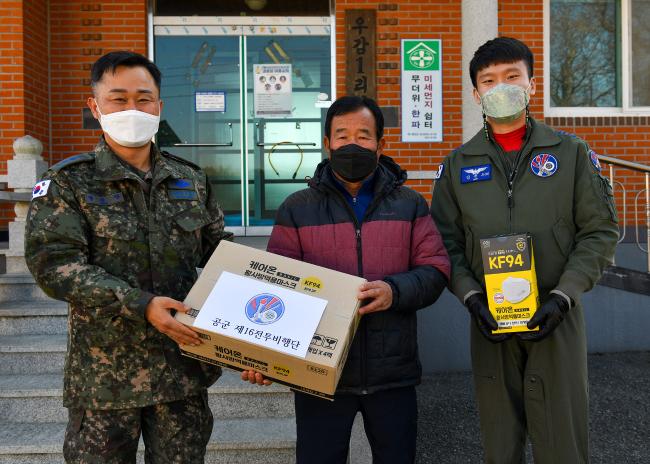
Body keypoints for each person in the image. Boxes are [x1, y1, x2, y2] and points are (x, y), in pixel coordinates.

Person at [25, 51, 230, 463]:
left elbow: (220, 253)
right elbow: (56, 267)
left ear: (159, 106)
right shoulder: (67, 183)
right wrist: (140, 303)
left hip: (181, 375)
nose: (132, 109)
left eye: (143, 98)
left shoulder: (189, 179)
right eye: (118, 99)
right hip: (105, 379)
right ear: (95, 106)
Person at [430, 37, 619, 463]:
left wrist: (564, 294)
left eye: (512, 76)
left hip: (558, 315)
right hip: (491, 321)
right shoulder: (458, 166)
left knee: (563, 440)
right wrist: (470, 296)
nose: (502, 87)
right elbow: (445, 243)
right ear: (476, 93)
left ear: (532, 84)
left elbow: (600, 232)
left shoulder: (570, 154)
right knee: (500, 440)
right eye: (489, 80)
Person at [241, 95, 451, 464]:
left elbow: (435, 269)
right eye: (342, 135)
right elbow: (274, 289)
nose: (352, 144)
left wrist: (394, 291)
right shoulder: (298, 208)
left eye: (364, 135)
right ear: (327, 143)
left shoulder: (409, 204)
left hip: (392, 373)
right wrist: (263, 355)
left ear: (380, 144)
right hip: (319, 373)